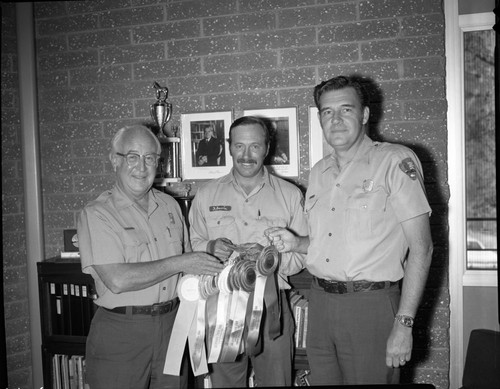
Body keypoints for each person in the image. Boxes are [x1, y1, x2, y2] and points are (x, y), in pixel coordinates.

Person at [266, 75, 433, 385]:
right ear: (319, 119)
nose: (336, 120)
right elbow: (328, 244)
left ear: (365, 114)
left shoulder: (394, 161)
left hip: (371, 307)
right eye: (327, 112)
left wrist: (404, 323)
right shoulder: (319, 171)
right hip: (321, 304)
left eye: (346, 109)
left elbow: (423, 249)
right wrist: (296, 242)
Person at [77, 125, 224, 389]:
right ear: (115, 160)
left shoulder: (170, 206)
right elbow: (117, 279)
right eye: (132, 157)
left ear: (159, 163)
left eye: (150, 158)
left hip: (173, 328)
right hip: (122, 333)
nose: (141, 167)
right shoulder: (97, 214)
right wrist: (183, 262)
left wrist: (220, 262)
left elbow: (189, 262)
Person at [189, 116, 308, 387]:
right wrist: (210, 248)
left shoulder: (290, 196)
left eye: (255, 146)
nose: (246, 155)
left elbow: (302, 255)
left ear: (267, 148)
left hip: (271, 311)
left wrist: (270, 259)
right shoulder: (207, 195)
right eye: (240, 146)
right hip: (221, 310)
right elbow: (190, 246)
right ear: (229, 147)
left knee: (276, 383)